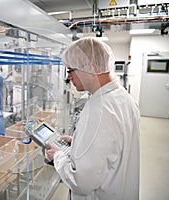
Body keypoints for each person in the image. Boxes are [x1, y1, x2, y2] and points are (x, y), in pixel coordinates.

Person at [45, 37, 140, 200]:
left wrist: (58, 157)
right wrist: (79, 143)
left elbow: (81, 181)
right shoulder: (123, 97)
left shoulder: (99, 110)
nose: (69, 78)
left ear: (91, 67)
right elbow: (110, 147)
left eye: (70, 70)